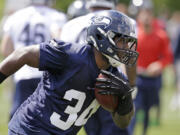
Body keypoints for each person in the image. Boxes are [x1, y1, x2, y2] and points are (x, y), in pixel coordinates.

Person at [0, 10, 138, 135]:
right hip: (30, 129)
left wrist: (126, 100)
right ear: (102, 37)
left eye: (128, 42)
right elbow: (24, 53)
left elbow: (122, 123)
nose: (126, 47)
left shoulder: (116, 77)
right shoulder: (71, 56)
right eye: (122, 41)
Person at [60, 1, 137, 135]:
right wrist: (131, 85)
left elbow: (63, 61)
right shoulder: (124, 21)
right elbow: (129, 58)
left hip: (80, 92)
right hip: (110, 85)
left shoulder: (71, 25)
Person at [0, 0, 67, 119]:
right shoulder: (56, 16)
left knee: (20, 119)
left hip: (22, 74)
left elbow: (6, 50)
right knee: (46, 120)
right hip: (47, 75)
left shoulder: (15, 17)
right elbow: (60, 42)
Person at [128, 7, 173, 135]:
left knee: (148, 110)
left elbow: (167, 57)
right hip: (138, 78)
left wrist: (159, 64)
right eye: (144, 14)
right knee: (136, 108)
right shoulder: (135, 35)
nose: (146, 18)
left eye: (148, 14)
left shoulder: (161, 36)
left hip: (153, 79)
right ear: (139, 17)